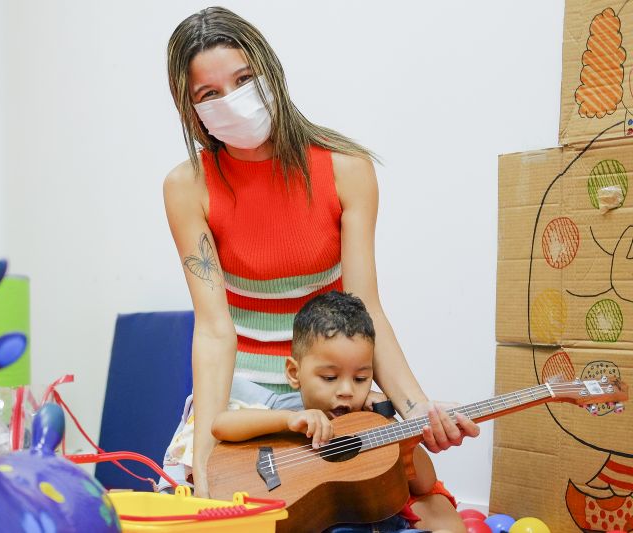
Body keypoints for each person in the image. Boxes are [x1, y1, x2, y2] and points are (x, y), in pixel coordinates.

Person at [162, 6, 479, 527]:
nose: (232, 101)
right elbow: (215, 330)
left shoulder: (347, 169)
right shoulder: (186, 186)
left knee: (413, 497)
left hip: (333, 384)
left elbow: (364, 307)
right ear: (190, 109)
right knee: (201, 508)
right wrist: (202, 455)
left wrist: (414, 406)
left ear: (271, 73)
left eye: (244, 80)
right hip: (244, 400)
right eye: (208, 94)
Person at [212, 291, 461, 533]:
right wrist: (288, 420)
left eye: (361, 378)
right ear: (293, 373)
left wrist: (393, 428)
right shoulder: (286, 412)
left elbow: (425, 483)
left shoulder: (374, 424)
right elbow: (221, 425)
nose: (346, 391)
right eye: (330, 377)